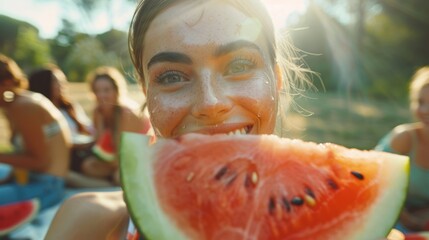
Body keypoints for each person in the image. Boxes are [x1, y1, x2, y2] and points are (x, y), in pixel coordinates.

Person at [45, 0, 310, 238]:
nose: (210, 103)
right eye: (171, 77)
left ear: (275, 79)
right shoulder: (91, 224)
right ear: (147, 92)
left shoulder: (341, 210)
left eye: (239, 66)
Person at [0, 54, 72, 235]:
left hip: (47, 185)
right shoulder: (14, 104)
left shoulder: (24, 107)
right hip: (33, 178)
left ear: (7, 83)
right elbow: (23, 152)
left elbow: (41, 162)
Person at [77, 66, 151, 187]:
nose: (101, 95)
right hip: (116, 160)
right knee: (88, 166)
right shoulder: (98, 112)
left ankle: (107, 182)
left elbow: (124, 154)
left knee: (118, 176)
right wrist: (100, 121)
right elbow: (100, 148)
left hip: (138, 157)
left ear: (116, 91)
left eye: (106, 90)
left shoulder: (127, 114)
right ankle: (109, 181)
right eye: (97, 90)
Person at [375, 66, 429, 232]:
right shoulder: (404, 138)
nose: (425, 110)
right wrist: (406, 218)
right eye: (420, 102)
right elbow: (374, 181)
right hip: (388, 216)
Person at [28, 65, 94, 174]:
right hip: (63, 156)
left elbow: (89, 128)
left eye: (63, 81)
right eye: (57, 81)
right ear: (44, 84)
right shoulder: (38, 114)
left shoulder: (69, 107)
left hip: (83, 152)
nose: (63, 85)